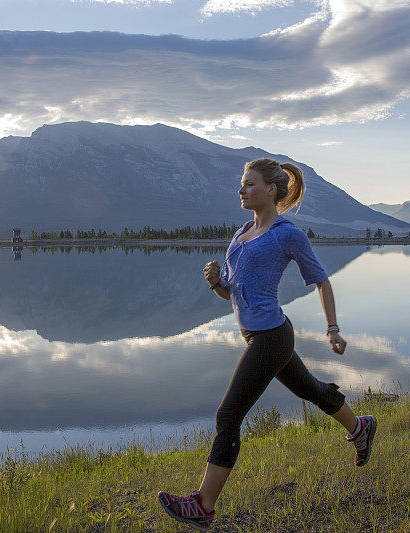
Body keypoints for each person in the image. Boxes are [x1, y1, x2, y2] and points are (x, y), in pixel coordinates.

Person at [157, 158, 376, 531]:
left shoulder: (287, 234)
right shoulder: (240, 234)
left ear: (271, 190)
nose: (241, 190)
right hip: (258, 334)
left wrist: (333, 328)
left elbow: (321, 280)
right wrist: (215, 282)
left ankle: (203, 505)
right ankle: (360, 428)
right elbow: (233, 294)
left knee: (227, 416)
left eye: (249, 184)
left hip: (272, 336)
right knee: (313, 390)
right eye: (241, 184)